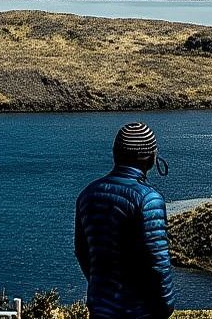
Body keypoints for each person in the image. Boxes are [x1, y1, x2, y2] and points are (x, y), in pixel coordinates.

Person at [74, 122, 176, 319]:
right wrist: (166, 306)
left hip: (101, 307)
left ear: (115, 154)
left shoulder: (88, 193)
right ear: (150, 158)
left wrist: (101, 288)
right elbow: (157, 262)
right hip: (139, 311)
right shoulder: (148, 199)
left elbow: (81, 250)